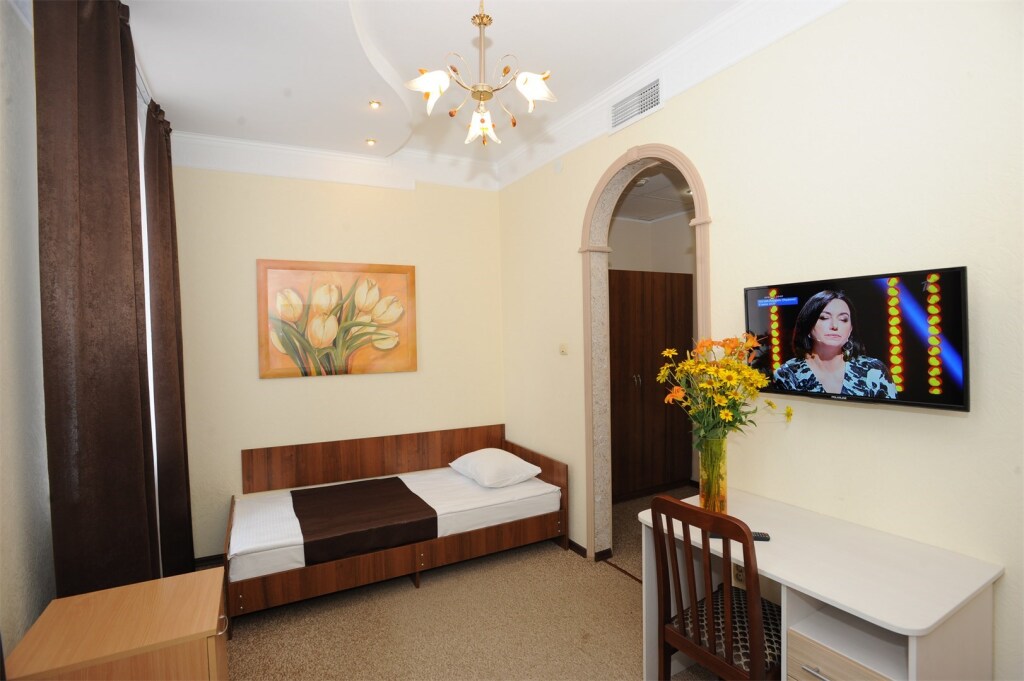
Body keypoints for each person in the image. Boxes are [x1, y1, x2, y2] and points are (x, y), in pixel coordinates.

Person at [773, 290, 896, 398]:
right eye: (824, 317)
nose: (834, 326)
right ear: (808, 324)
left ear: (850, 329)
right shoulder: (788, 374)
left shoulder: (875, 371)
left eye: (843, 319)